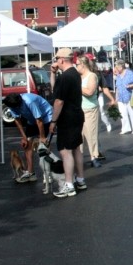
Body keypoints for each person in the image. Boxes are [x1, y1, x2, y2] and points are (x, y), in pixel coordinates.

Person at [49, 48, 86, 198]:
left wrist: (53, 121)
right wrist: (52, 73)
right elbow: (55, 90)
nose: (56, 61)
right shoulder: (75, 74)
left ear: (62, 60)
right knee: (76, 147)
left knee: (65, 151)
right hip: (77, 114)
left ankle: (69, 185)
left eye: (56, 59)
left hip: (67, 117)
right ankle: (80, 179)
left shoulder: (65, 77)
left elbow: (58, 101)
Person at [3, 93, 53, 183]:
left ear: (20, 103)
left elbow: (39, 120)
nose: (14, 109)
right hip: (32, 120)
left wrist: (42, 137)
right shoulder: (12, 104)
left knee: (43, 146)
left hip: (45, 117)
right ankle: (31, 174)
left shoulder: (30, 101)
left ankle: (48, 174)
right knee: (26, 145)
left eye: (16, 107)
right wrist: (24, 137)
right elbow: (17, 120)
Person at [76, 55, 102, 168]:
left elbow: (90, 92)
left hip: (90, 109)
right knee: (78, 136)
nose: (75, 66)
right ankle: (79, 158)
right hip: (78, 109)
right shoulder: (78, 77)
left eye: (77, 64)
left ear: (82, 64)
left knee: (91, 134)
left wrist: (76, 86)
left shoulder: (92, 76)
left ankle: (94, 157)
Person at [114, 59, 133, 134]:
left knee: (132, 112)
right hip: (121, 97)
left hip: (130, 96)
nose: (115, 69)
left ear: (121, 67)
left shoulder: (130, 73)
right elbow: (117, 87)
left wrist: (131, 85)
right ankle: (125, 128)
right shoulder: (118, 75)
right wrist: (116, 98)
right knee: (122, 113)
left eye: (116, 67)